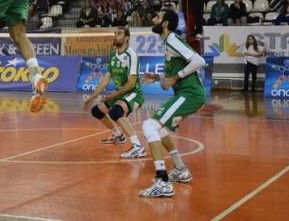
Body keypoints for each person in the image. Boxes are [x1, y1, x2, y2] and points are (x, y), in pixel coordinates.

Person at [139, 10, 207, 198]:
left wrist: (175, 78)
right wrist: (158, 77)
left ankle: (162, 182)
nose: (153, 18)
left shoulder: (172, 39)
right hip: (187, 93)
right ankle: (180, 169)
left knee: (149, 126)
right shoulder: (167, 41)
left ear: (165, 23)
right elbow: (177, 69)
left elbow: (199, 61)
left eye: (157, 17)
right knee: (160, 129)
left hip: (190, 93)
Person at [83, 27, 146, 158]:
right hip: (121, 93)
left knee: (116, 112)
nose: (115, 35)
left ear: (127, 38)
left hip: (134, 93)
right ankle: (118, 135)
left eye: (119, 33)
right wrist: (92, 97)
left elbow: (131, 83)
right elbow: (106, 79)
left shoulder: (131, 55)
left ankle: (138, 147)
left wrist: (115, 94)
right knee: (97, 111)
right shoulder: (113, 55)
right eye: (115, 33)